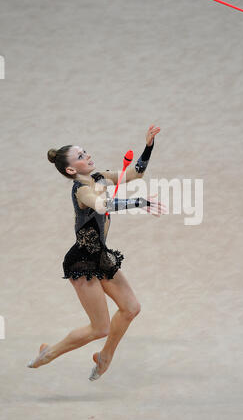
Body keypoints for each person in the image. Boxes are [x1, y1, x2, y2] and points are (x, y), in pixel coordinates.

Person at [27, 124, 166, 381]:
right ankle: (47, 353)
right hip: (83, 263)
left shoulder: (100, 176)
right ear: (71, 170)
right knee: (100, 327)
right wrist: (139, 202)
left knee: (131, 308)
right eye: (80, 157)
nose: (87, 157)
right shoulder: (81, 190)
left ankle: (105, 357)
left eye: (86, 152)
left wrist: (148, 146)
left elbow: (136, 173)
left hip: (100, 256)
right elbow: (101, 206)